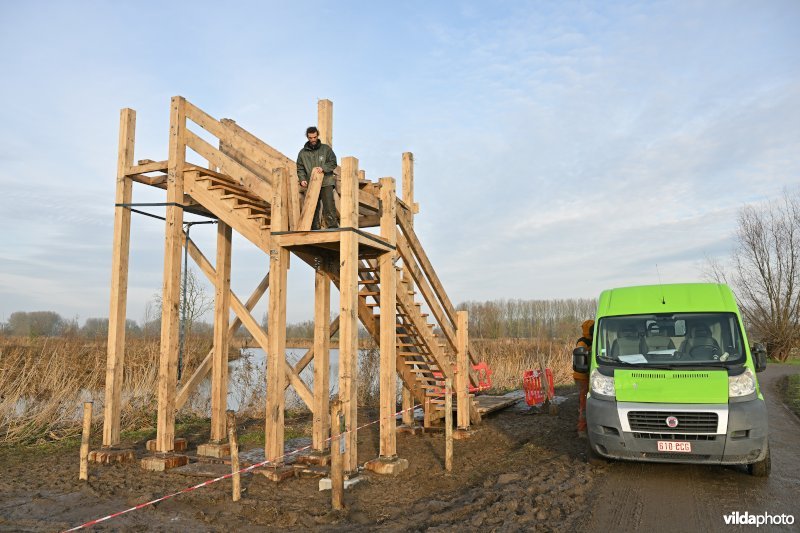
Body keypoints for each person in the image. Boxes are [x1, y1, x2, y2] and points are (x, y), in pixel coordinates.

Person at [297, 126, 338, 230]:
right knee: (313, 206)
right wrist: (302, 179)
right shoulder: (302, 153)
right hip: (311, 183)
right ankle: (315, 228)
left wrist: (323, 168)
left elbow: (333, 162)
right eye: (311, 138)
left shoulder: (326, 149)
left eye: (315, 137)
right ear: (307, 137)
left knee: (329, 205)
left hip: (326, 182)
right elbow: (300, 168)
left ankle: (332, 227)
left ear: (317, 135)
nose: (313, 140)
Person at [574, 319, 594, 439]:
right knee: (584, 404)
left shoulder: (593, 340)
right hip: (582, 377)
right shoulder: (582, 343)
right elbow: (581, 360)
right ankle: (581, 430)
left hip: (589, 376)